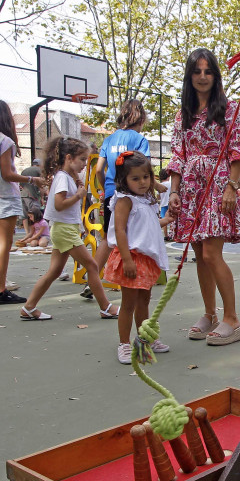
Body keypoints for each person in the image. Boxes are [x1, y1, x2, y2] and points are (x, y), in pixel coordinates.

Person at [167, 48, 240, 346]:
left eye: (208, 71)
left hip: (218, 186)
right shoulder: (182, 115)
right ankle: (210, 314)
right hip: (191, 189)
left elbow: (239, 151)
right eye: (197, 71)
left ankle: (232, 319)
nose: (202, 77)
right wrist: (174, 192)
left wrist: (232, 187)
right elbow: (178, 154)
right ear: (190, 76)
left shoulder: (229, 110)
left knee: (212, 254)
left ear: (215, 75)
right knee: (200, 256)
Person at [19, 137, 120, 321]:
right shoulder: (62, 178)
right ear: (68, 158)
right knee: (91, 265)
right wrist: (79, 196)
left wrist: (78, 187)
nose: (84, 164)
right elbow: (59, 204)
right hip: (64, 230)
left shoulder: (65, 177)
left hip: (65, 229)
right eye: (81, 159)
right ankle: (105, 307)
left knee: (55, 271)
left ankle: (29, 307)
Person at [104, 151, 173, 364]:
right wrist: (126, 259)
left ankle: (144, 339)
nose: (142, 182)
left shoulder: (146, 199)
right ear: (124, 180)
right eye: (135, 178)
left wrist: (167, 220)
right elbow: (120, 230)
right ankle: (124, 344)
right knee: (128, 304)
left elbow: (148, 225)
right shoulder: (125, 200)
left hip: (147, 259)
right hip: (132, 257)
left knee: (144, 301)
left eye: (146, 177)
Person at [0, 99, 46, 304]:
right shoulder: (5, 141)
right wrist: (32, 179)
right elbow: (7, 174)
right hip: (3, 196)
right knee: (3, 244)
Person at [86, 99, 152, 299]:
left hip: (110, 193)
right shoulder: (140, 139)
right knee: (135, 233)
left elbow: (99, 169)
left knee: (109, 237)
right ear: (140, 118)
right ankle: (138, 273)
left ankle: (92, 280)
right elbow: (145, 168)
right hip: (131, 196)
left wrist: (106, 188)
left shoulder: (109, 139)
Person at [20, 159, 44, 237]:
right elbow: (41, 185)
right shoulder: (39, 170)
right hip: (32, 195)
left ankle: (27, 233)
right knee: (35, 214)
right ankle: (35, 234)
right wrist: (42, 198)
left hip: (22, 194)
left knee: (25, 215)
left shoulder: (24, 171)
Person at [158, 168, 172, 240]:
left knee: (164, 220)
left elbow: (158, 197)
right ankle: (173, 233)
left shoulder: (159, 185)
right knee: (172, 218)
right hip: (171, 203)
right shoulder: (170, 184)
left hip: (163, 204)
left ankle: (166, 235)